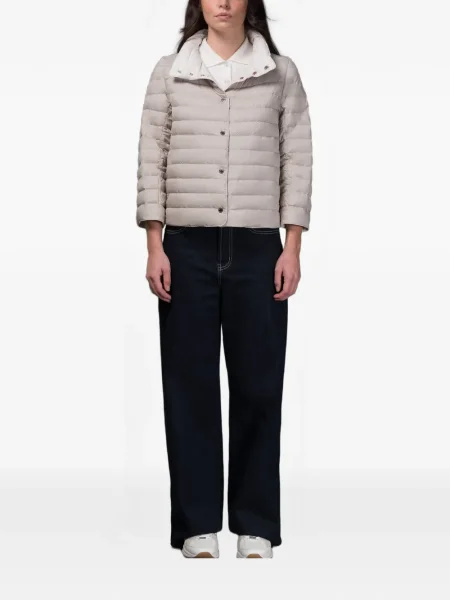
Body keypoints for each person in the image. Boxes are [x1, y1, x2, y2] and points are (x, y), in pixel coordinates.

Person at [136, 0, 313, 559]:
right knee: (188, 388)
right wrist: (154, 243)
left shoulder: (280, 73)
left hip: (259, 248)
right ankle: (197, 527)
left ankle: (255, 525)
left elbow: (297, 160)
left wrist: (292, 246)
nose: (224, 2)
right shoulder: (170, 71)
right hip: (185, 247)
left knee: (259, 387)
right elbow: (150, 159)